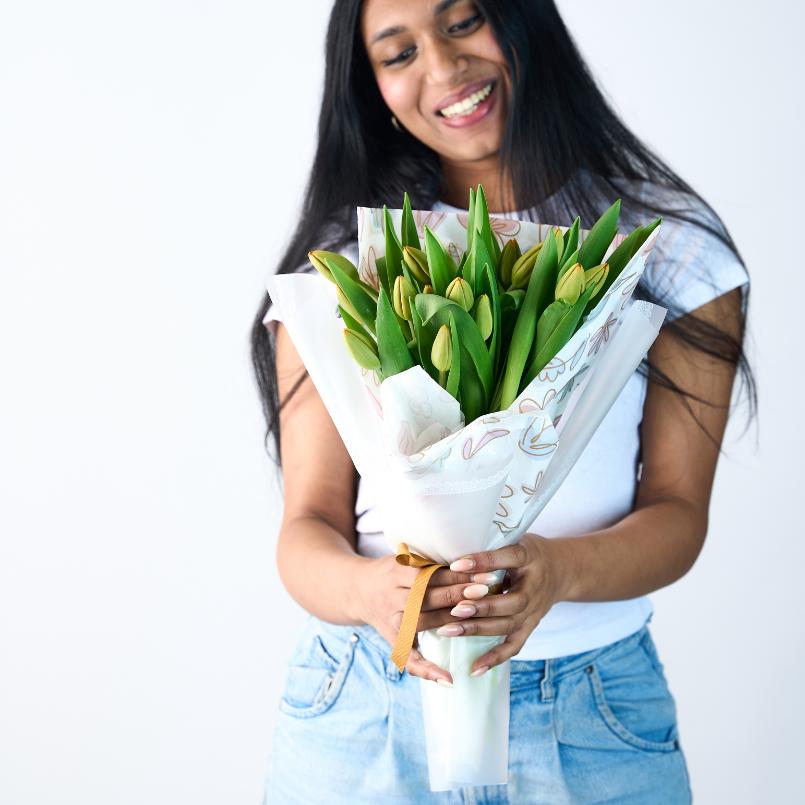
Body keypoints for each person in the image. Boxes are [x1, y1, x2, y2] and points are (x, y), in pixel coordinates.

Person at [251, 1, 756, 802]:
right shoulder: (345, 271)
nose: (443, 69)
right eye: (397, 52)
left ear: (525, 23)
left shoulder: (668, 249)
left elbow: (677, 513)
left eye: (463, 22)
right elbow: (306, 528)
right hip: (363, 707)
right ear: (371, 88)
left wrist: (553, 572)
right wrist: (373, 595)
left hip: (591, 711)